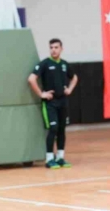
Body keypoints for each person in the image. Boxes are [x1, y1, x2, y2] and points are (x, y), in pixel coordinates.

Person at [28, 38, 78, 169]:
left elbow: (74, 77)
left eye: (56, 47)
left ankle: (60, 157)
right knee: (53, 129)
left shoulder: (64, 64)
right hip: (50, 103)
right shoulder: (44, 64)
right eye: (51, 47)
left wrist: (70, 89)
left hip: (63, 101)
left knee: (62, 129)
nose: (53, 50)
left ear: (61, 49)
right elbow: (31, 79)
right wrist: (41, 94)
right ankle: (49, 158)